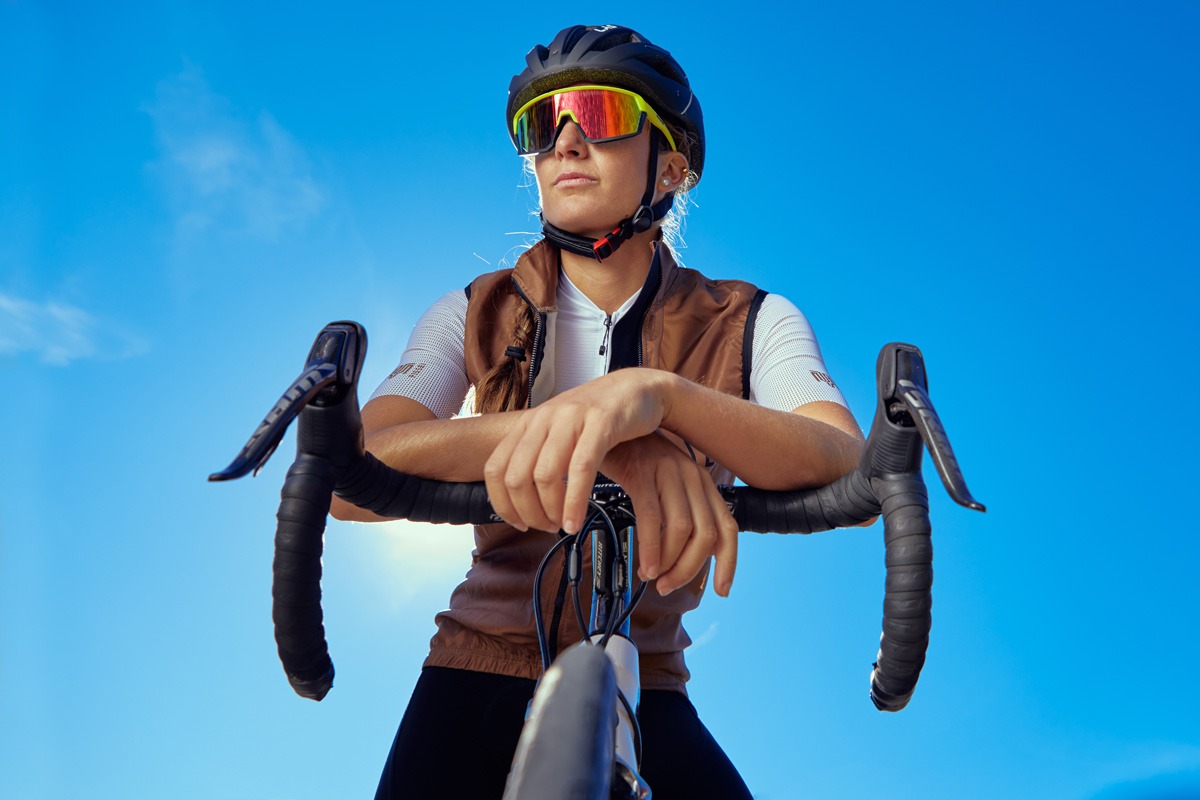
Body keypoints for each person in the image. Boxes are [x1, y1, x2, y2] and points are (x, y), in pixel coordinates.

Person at [331, 23, 864, 799]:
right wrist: (608, 435)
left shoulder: (753, 319)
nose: (567, 142)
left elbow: (844, 459)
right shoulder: (471, 310)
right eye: (543, 126)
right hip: (473, 666)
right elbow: (352, 475)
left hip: (649, 684)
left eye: (601, 113)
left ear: (671, 167)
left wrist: (655, 398)